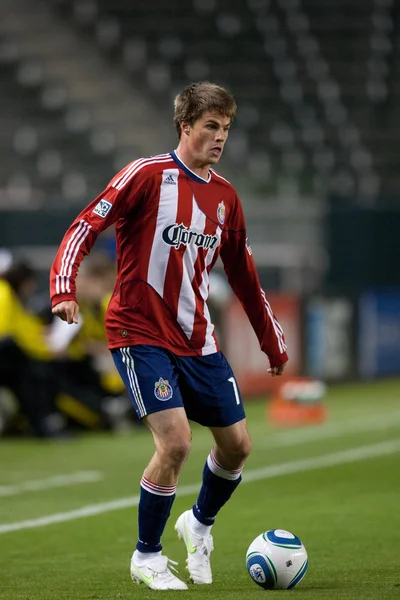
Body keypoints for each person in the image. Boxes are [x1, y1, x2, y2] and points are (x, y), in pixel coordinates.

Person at [50, 81, 288, 590]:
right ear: (186, 127)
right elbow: (85, 225)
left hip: (198, 339)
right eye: (211, 126)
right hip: (139, 331)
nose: (220, 137)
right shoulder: (147, 175)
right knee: (176, 441)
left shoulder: (225, 198)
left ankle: (198, 524)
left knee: (238, 446)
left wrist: (271, 340)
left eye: (226, 128)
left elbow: (244, 276)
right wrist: (63, 285)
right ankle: (146, 555)